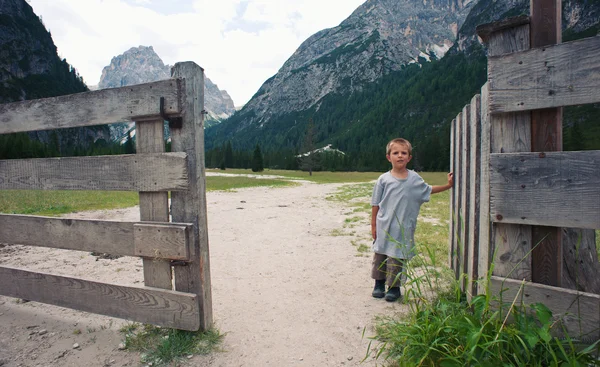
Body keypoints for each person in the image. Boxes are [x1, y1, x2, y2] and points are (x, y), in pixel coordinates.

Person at [370, 138, 453, 302]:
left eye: (404, 153)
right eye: (395, 153)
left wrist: (448, 185)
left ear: (409, 157)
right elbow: (375, 204)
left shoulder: (414, 179)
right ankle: (378, 283)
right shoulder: (383, 180)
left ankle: (394, 287)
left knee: (397, 256)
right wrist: (373, 225)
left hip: (403, 227)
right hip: (384, 225)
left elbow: (428, 190)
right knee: (380, 255)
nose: (400, 156)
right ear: (389, 157)